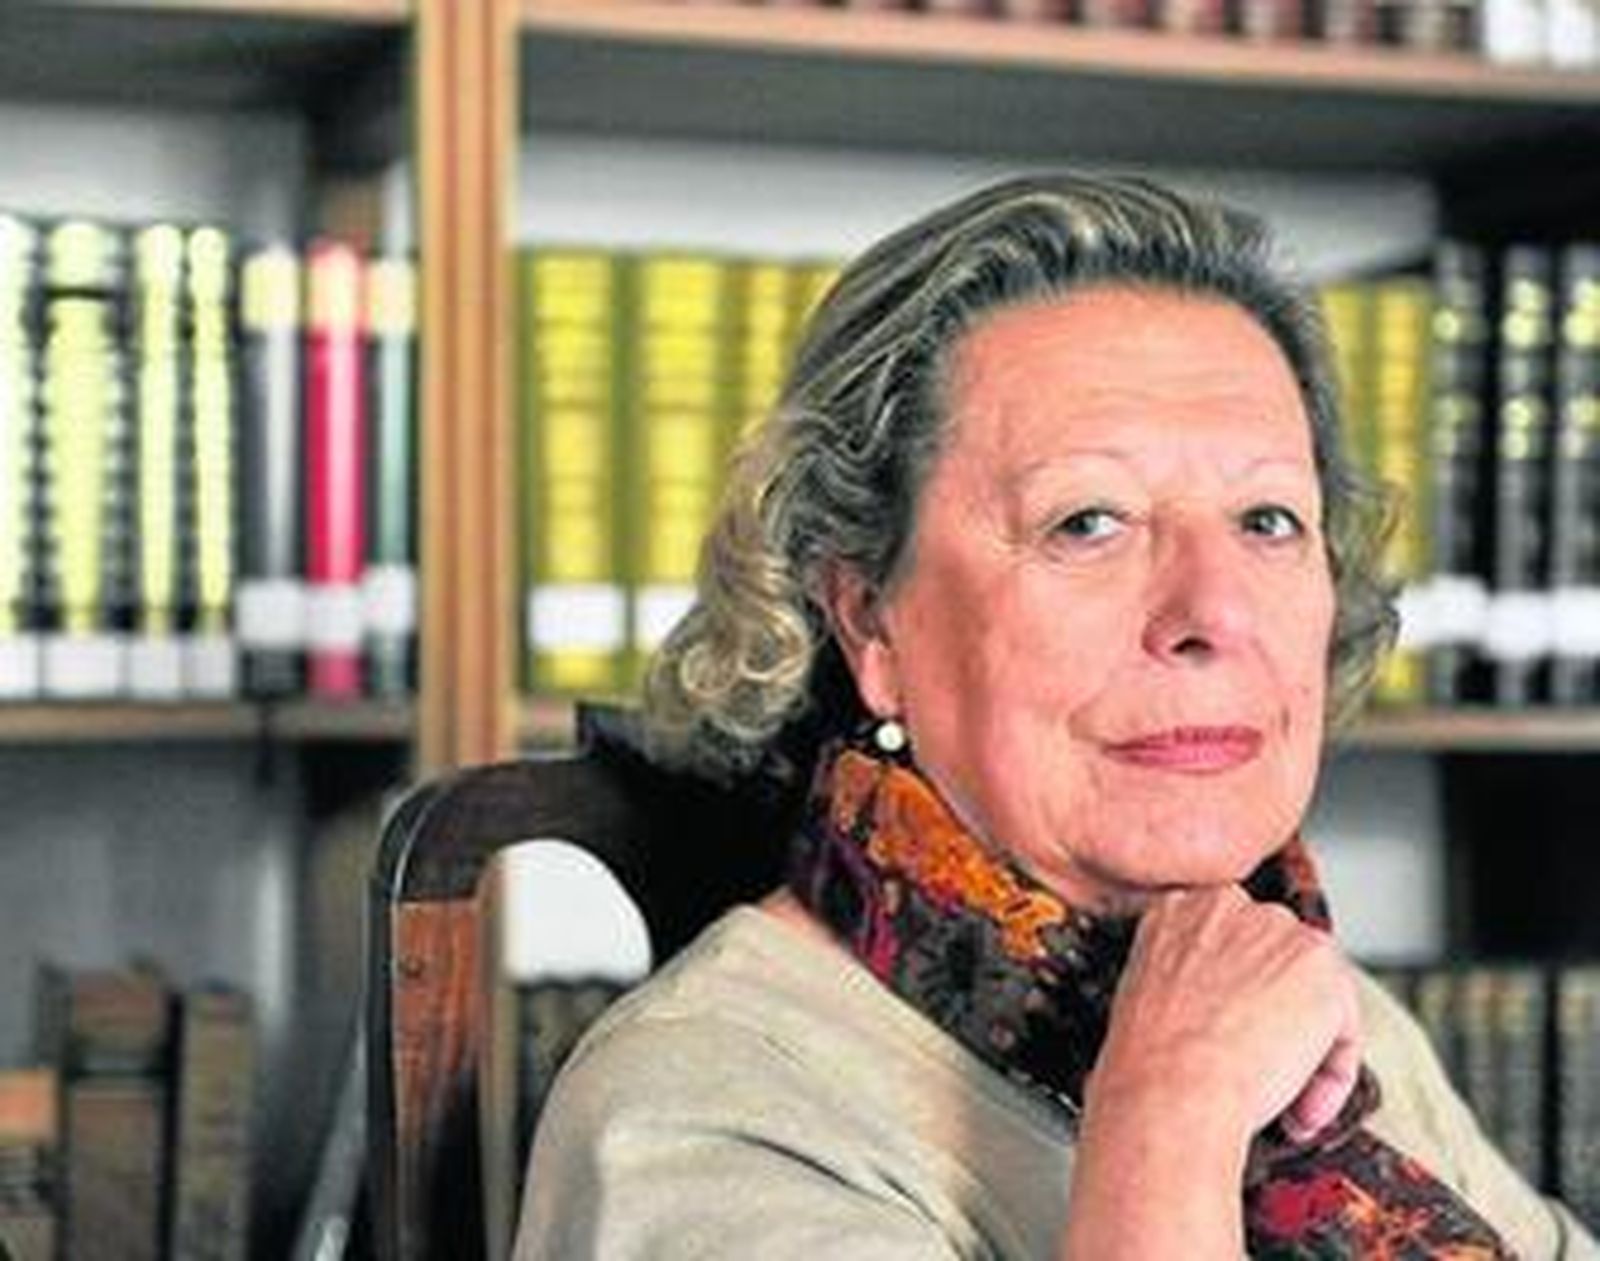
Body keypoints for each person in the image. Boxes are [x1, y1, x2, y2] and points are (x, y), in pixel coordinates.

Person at [514, 173, 1600, 1259]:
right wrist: (1170, 1121)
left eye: (1268, 520)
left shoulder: (1307, 1002)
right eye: (1087, 522)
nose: (1212, 612)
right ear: (871, 620)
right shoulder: (706, 1113)